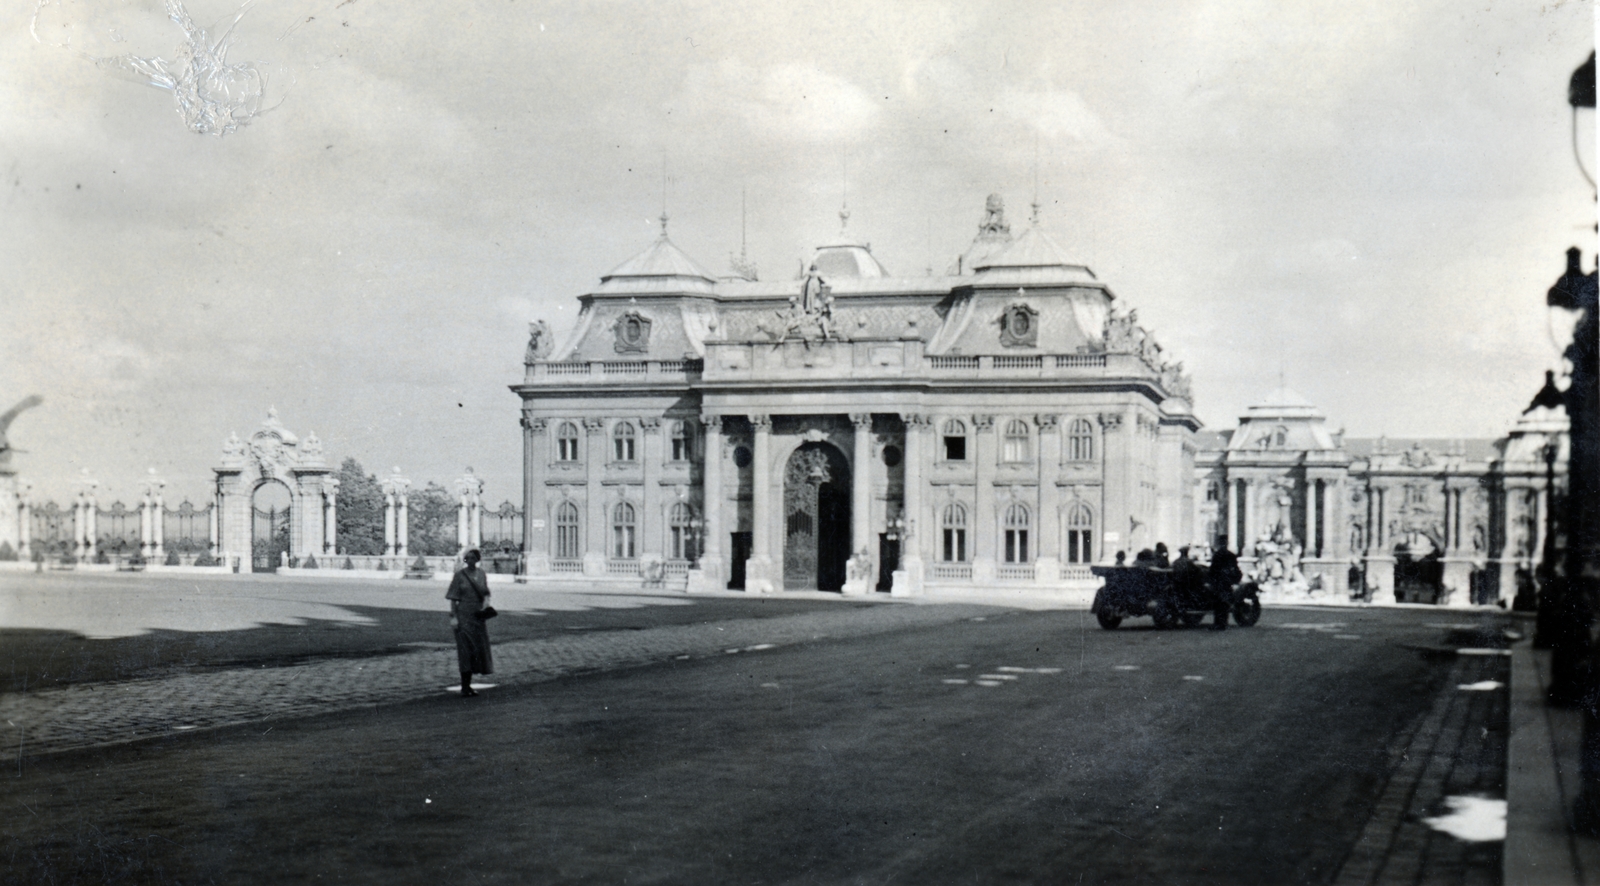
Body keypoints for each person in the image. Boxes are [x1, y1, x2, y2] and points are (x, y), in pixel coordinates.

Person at [446, 549, 494, 696]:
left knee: (477, 650)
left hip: (478, 616)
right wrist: (454, 617)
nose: (470, 560)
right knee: (465, 650)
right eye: (467, 558)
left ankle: (469, 684)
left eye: (473, 558)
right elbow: (453, 598)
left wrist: (486, 605)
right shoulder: (459, 575)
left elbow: (486, 592)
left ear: (477, 559)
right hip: (463, 615)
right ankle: (465, 686)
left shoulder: (481, 574)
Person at [1208, 536, 1242, 631]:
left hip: (1219, 582)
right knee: (1223, 602)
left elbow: (1212, 570)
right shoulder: (1230, 555)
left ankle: (1219, 623)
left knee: (1219, 603)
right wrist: (1235, 579)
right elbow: (1235, 569)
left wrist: (1211, 580)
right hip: (1226, 582)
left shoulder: (1217, 555)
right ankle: (1222, 623)